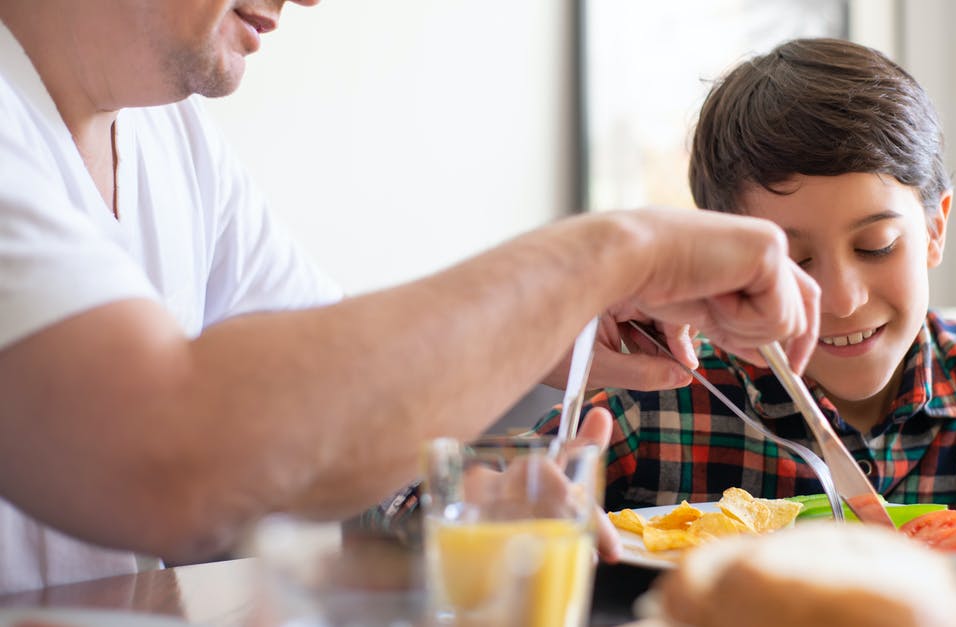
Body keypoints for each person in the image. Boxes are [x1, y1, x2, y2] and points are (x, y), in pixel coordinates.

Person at [0, 0, 823, 593]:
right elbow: (171, 456)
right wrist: (614, 251)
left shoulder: (172, 141)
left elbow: (326, 409)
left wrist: (545, 335)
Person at [536, 37, 956, 539]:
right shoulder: (660, 397)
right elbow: (451, 520)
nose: (844, 297)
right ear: (721, 255)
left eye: (876, 246)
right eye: (793, 261)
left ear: (936, 229)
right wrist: (525, 508)